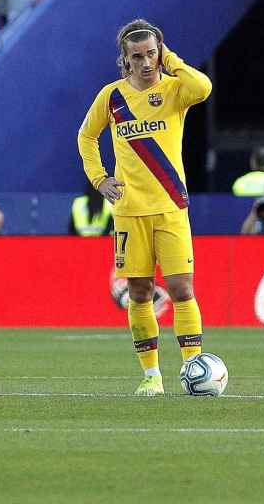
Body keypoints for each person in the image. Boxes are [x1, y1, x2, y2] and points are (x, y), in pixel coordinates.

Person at [76, 20, 212, 396]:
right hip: (129, 211)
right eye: (138, 56)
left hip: (170, 206)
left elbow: (203, 87)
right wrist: (100, 179)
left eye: (152, 53)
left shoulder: (174, 90)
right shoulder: (112, 96)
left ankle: (192, 366)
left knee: (182, 288)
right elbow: (87, 136)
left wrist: (171, 58)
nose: (147, 62)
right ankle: (152, 376)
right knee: (139, 291)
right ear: (125, 60)